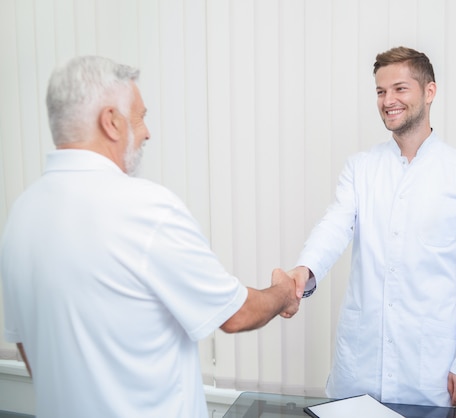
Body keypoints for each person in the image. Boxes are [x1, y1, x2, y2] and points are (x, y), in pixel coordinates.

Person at [0, 56, 300, 418]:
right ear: (111, 121)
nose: (146, 132)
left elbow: (27, 344)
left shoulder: (21, 214)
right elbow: (235, 314)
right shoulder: (145, 208)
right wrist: (284, 292)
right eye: (140, 117)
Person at [289, 46, 456, 407]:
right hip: (359, 365)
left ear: (429, 92)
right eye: (381, 92)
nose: (388, 101)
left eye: (400, 89)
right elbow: (334, 226)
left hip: (427, 370)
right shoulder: (361, 168)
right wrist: (304, 270)